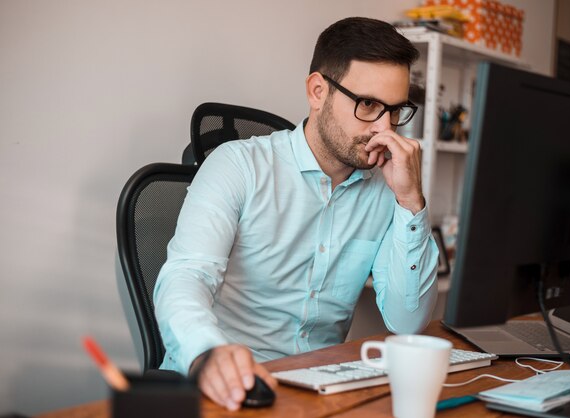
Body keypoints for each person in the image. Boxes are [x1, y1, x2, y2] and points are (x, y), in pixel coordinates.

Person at [154, 16, 439, 411]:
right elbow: (186, 276)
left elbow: (408, 322)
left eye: (395, 111)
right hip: (229, 386)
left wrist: (411, 202)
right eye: (369, 105)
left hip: (317, 392)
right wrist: (206, 353)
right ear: (318, 91)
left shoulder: (387, 187)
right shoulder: (238, 166)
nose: (384, 128)